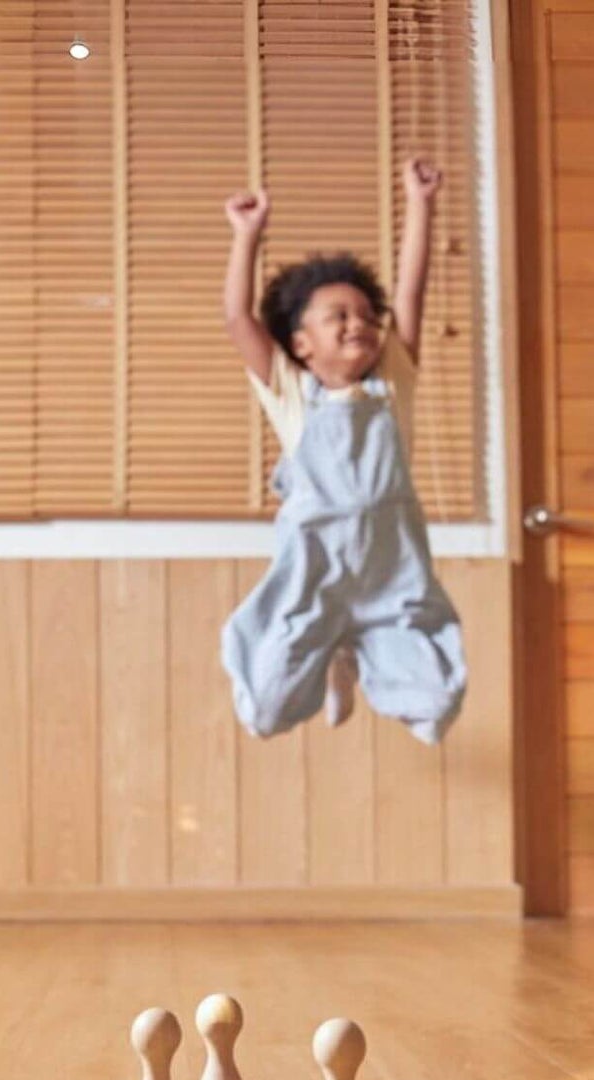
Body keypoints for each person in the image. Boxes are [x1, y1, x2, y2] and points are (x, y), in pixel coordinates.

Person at [218, 158, 467, 745]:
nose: (357, 324)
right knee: (268, 709)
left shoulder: (392, 384)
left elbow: (411, 290)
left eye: (363, 315)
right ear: (302, 345)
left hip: (392, 569)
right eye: (337, 317)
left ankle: (356, 652)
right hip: (315, 571)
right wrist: (247, 235)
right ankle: (331, 652)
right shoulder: (294, 395)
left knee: (436, 705)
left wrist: (422, 205)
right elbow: (237, 317)